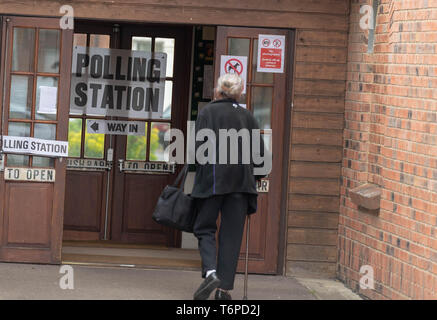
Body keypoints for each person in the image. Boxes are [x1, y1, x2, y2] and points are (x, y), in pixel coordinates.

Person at [191, 73, 266, 300]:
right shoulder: (248, 117)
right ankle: (223, 291)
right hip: (241, 186)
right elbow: (261, 159)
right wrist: (257, 176)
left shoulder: (207, 113)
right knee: (231, 236)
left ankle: (211, 272)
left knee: (204, 227)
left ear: (218, 91)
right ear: (239, 93)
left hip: (213, 182)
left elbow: (198, 152)